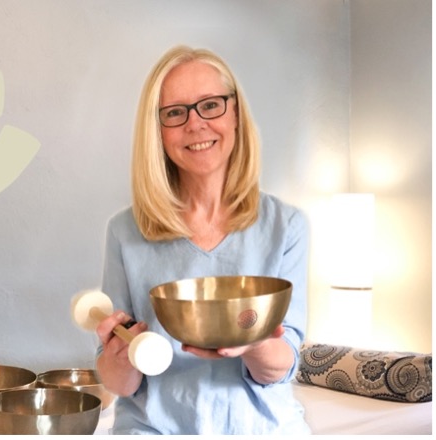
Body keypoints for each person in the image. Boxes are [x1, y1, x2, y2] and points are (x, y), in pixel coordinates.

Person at [94, 45, 311, 435]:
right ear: (157, 130)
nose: (195, 124)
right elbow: (119, 384)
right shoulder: (125, 232)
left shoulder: (286, 227)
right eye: (175, 113)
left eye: (210, 105)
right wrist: (120, 356)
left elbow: (281, 367)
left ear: (235, 114)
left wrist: (253, 343)